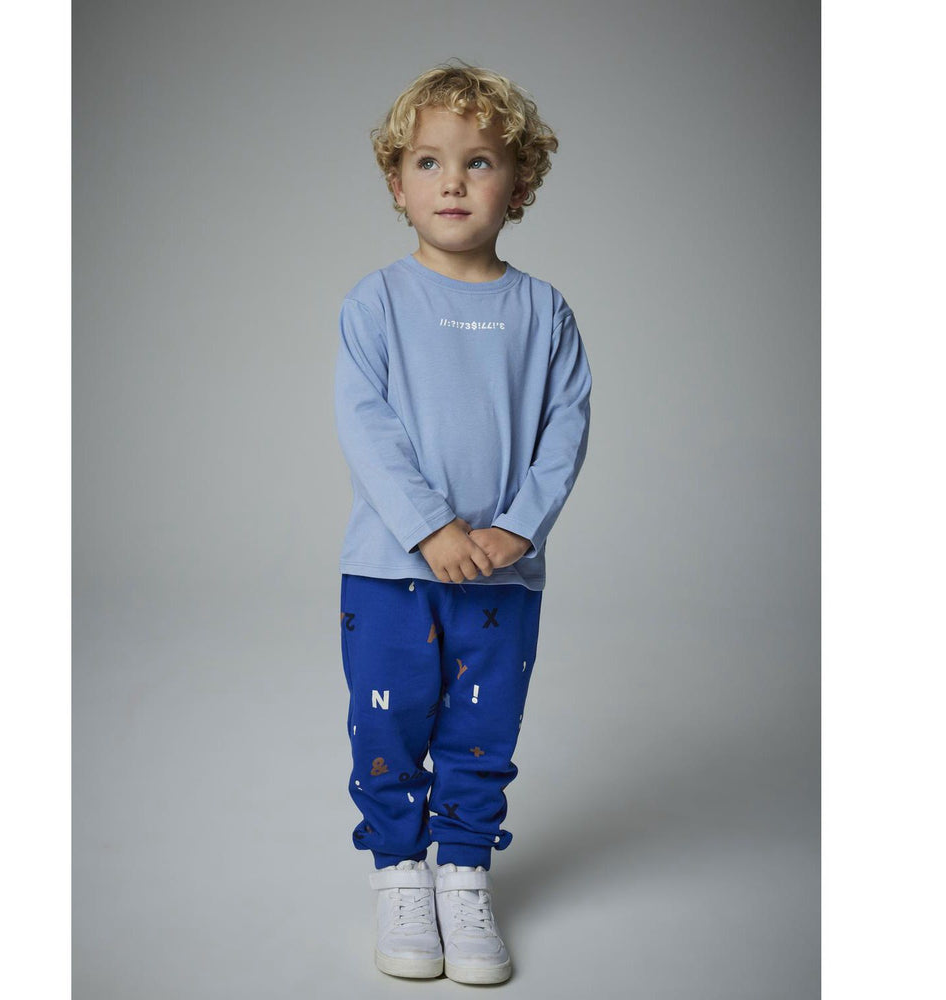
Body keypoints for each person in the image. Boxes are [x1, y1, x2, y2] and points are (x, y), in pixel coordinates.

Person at [334, 59, 592, 984]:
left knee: (483, 733)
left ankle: (466, 874)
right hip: (390, 571)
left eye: (478, 162)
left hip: (501, 577)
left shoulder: (544, 311)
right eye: (429, 162)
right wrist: (433, 529)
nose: (453, 181)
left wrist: (516, 529)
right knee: (390, 728)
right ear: (397, 185)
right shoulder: (375, 302)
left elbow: (566, 430)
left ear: (518, 184)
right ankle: (401, 875)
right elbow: (365, 426)